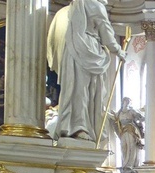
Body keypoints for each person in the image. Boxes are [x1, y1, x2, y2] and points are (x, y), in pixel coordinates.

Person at [47, 0, 126, 142]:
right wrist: (119, 51)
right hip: (87, 50)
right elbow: (106, 34)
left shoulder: (67, 10)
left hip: (71, 51)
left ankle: (70, 126)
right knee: (84, 91)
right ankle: (79, 127)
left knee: (73, 88)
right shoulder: (96, 6)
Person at [111, 97, 144, 172]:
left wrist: (141, 117)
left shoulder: (131, 111)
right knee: (123, 147)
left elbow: (141, 117)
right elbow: (114, 118)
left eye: (128, 102)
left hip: (131, 130)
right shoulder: (119, 112)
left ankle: (130, 164)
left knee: (131, 146)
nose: (127, 103)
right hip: (123, 130)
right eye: (125, 101)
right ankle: (125, 164)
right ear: (123, 102)